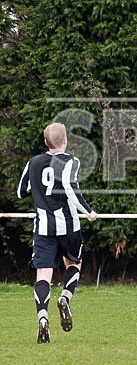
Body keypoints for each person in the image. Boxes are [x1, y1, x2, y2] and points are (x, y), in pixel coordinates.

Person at [17, 122, 98, 343]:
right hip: (69, 227)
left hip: (43, 228)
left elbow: (21, 191)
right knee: (73, 264)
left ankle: (43, 317)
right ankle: (64, 298)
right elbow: (70, 189)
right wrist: (89, 211)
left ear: (45, 142)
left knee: (43, 275)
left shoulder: (33, 163)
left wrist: (40, 190)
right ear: (65, 141)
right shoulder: (71, 161)